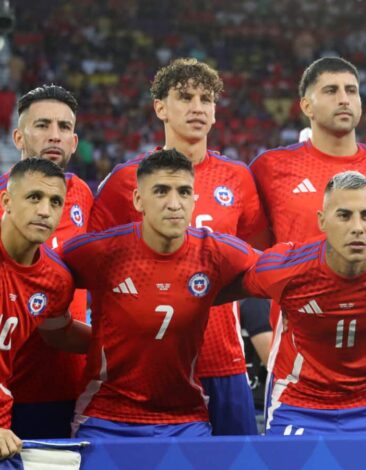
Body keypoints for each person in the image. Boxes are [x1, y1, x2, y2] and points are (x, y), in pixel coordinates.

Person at [87, 58, 267, 435]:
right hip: (148, 367)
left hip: (223, 360)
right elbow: (95, 272)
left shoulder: (238, 179)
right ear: (160, 108)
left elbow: (255, 268)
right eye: (185, 97)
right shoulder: (124, 182)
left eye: (206, 98)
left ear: (216, 112)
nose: (197, 107)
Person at [62, 150, 257, 438]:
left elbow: (277, 272)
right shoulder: (99, 252)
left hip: (185, 418)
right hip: (105, 417)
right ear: (138, 200)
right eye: (161, 191)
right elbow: (43, 273)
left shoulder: (216, 252)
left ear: (194, 200)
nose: (174, 203)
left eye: (183, 192)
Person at [222, 171, 366, 435]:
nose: (357, 226)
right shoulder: (286, 268)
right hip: (299, 403)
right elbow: (216, 289)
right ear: (322, 221)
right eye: (344, 215)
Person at [250, 57, 366, 380]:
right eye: (331, 90)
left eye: (352, 91)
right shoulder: (269, 169)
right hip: (295, 361)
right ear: (306, 106)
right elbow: (256, 255)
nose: (344, 99)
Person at [0, 85, 93, 439]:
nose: (54, 136)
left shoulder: (81, 194)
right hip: (13, 389)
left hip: (67, 387)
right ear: (19, 136)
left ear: (74, 141)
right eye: (42, 125)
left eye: (64, 127)